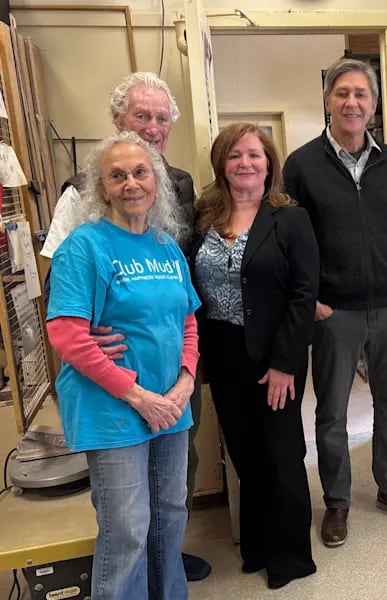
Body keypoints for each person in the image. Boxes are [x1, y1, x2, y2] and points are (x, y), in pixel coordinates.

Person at [40, 72, 209, 580]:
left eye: (141, 173)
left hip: (169, 404)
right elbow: (66, 332)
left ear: (157, 180)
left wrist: (182, 383)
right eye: (118, 176)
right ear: (103, 187)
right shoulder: (83, 245)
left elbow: (188, 321)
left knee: (171, 515)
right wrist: (138, 395)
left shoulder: (164, 246)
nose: (131, 182)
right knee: (128, 528)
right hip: (114, 407)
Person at [283, 57, 387, 547]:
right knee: (331, 414)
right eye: (342, 93)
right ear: (328, 101)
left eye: (361, 94)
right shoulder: (301, 166)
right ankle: (338, 502)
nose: (351, 102)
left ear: (373, 104)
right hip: (334, 314)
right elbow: (289, 241)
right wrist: (315, 302)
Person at [189, 123, 318, 589]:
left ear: (269, 164)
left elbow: (304, 295)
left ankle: (290, 557)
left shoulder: (290, 218)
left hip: (274, 356)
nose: (246, 162)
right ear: (221, 164)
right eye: (235, 155)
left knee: (281, 453)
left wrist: (285, 363)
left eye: (255, 155)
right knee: (243, 453)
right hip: (223, 355)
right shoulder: (203, 219)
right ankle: (259, 544)